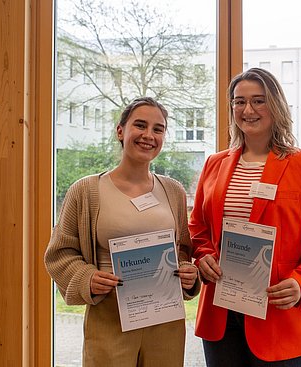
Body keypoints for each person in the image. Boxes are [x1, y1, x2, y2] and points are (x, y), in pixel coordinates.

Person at [189, 68, 301, 367]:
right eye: (239, 101)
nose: (248, 110)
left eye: (259, 101)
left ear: (276, 105)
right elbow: (198, 227)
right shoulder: (214, 164)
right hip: (223, 312)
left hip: (279, 311)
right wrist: (202, 255)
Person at [44, 96, 200, 367]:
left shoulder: (172, 190)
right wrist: (86, 279)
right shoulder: (86, 190)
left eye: (158, 129)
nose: (148, 135)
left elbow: (183, 249)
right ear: (120, 131)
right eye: (140, 125)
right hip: (109, 319)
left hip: (165, 322)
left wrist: (188, 273)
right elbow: (60, 253)